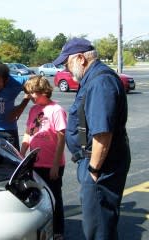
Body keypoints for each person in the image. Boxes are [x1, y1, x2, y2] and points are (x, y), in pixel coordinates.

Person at [53, 37, 131, 239]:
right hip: (96, 163)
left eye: (66, 63)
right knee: (100, 224)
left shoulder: (100, 82)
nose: (65, 69)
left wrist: (93, 171)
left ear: (80, 58)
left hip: (100, 166)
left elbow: (102, 133)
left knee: (98, 230)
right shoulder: (93, 78)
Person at [20, 75, 67, 240]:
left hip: (51, 164)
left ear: (44, 91)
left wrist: (55, 165)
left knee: (54, 199)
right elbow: (28, 132)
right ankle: (44, 231)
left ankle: (58, 231)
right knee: (39, 199)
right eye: (29, 92)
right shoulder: (33, 110)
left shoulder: (56, 110)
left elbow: (62, 138)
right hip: (35, 163)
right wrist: (21, 153)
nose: (31, 96)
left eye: (34, 92)